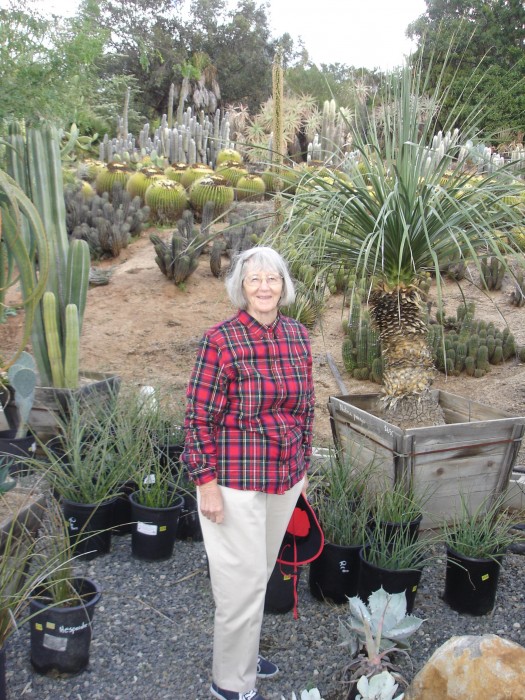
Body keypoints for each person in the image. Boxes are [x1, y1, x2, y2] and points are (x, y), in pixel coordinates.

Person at [182, 246, 315, 700]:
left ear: (284, 286)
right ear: (241, 286)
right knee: (239, 588)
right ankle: (230, 684)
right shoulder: (220, 340)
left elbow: (306, 407)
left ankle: (240, 655)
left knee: (257, 576)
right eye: (254, 279)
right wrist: (206, 484)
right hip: (234, 482)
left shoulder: (297, 336)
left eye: (272, 279)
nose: (264, 287)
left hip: (284, 478)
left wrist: (305, 464)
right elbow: (198, 418)